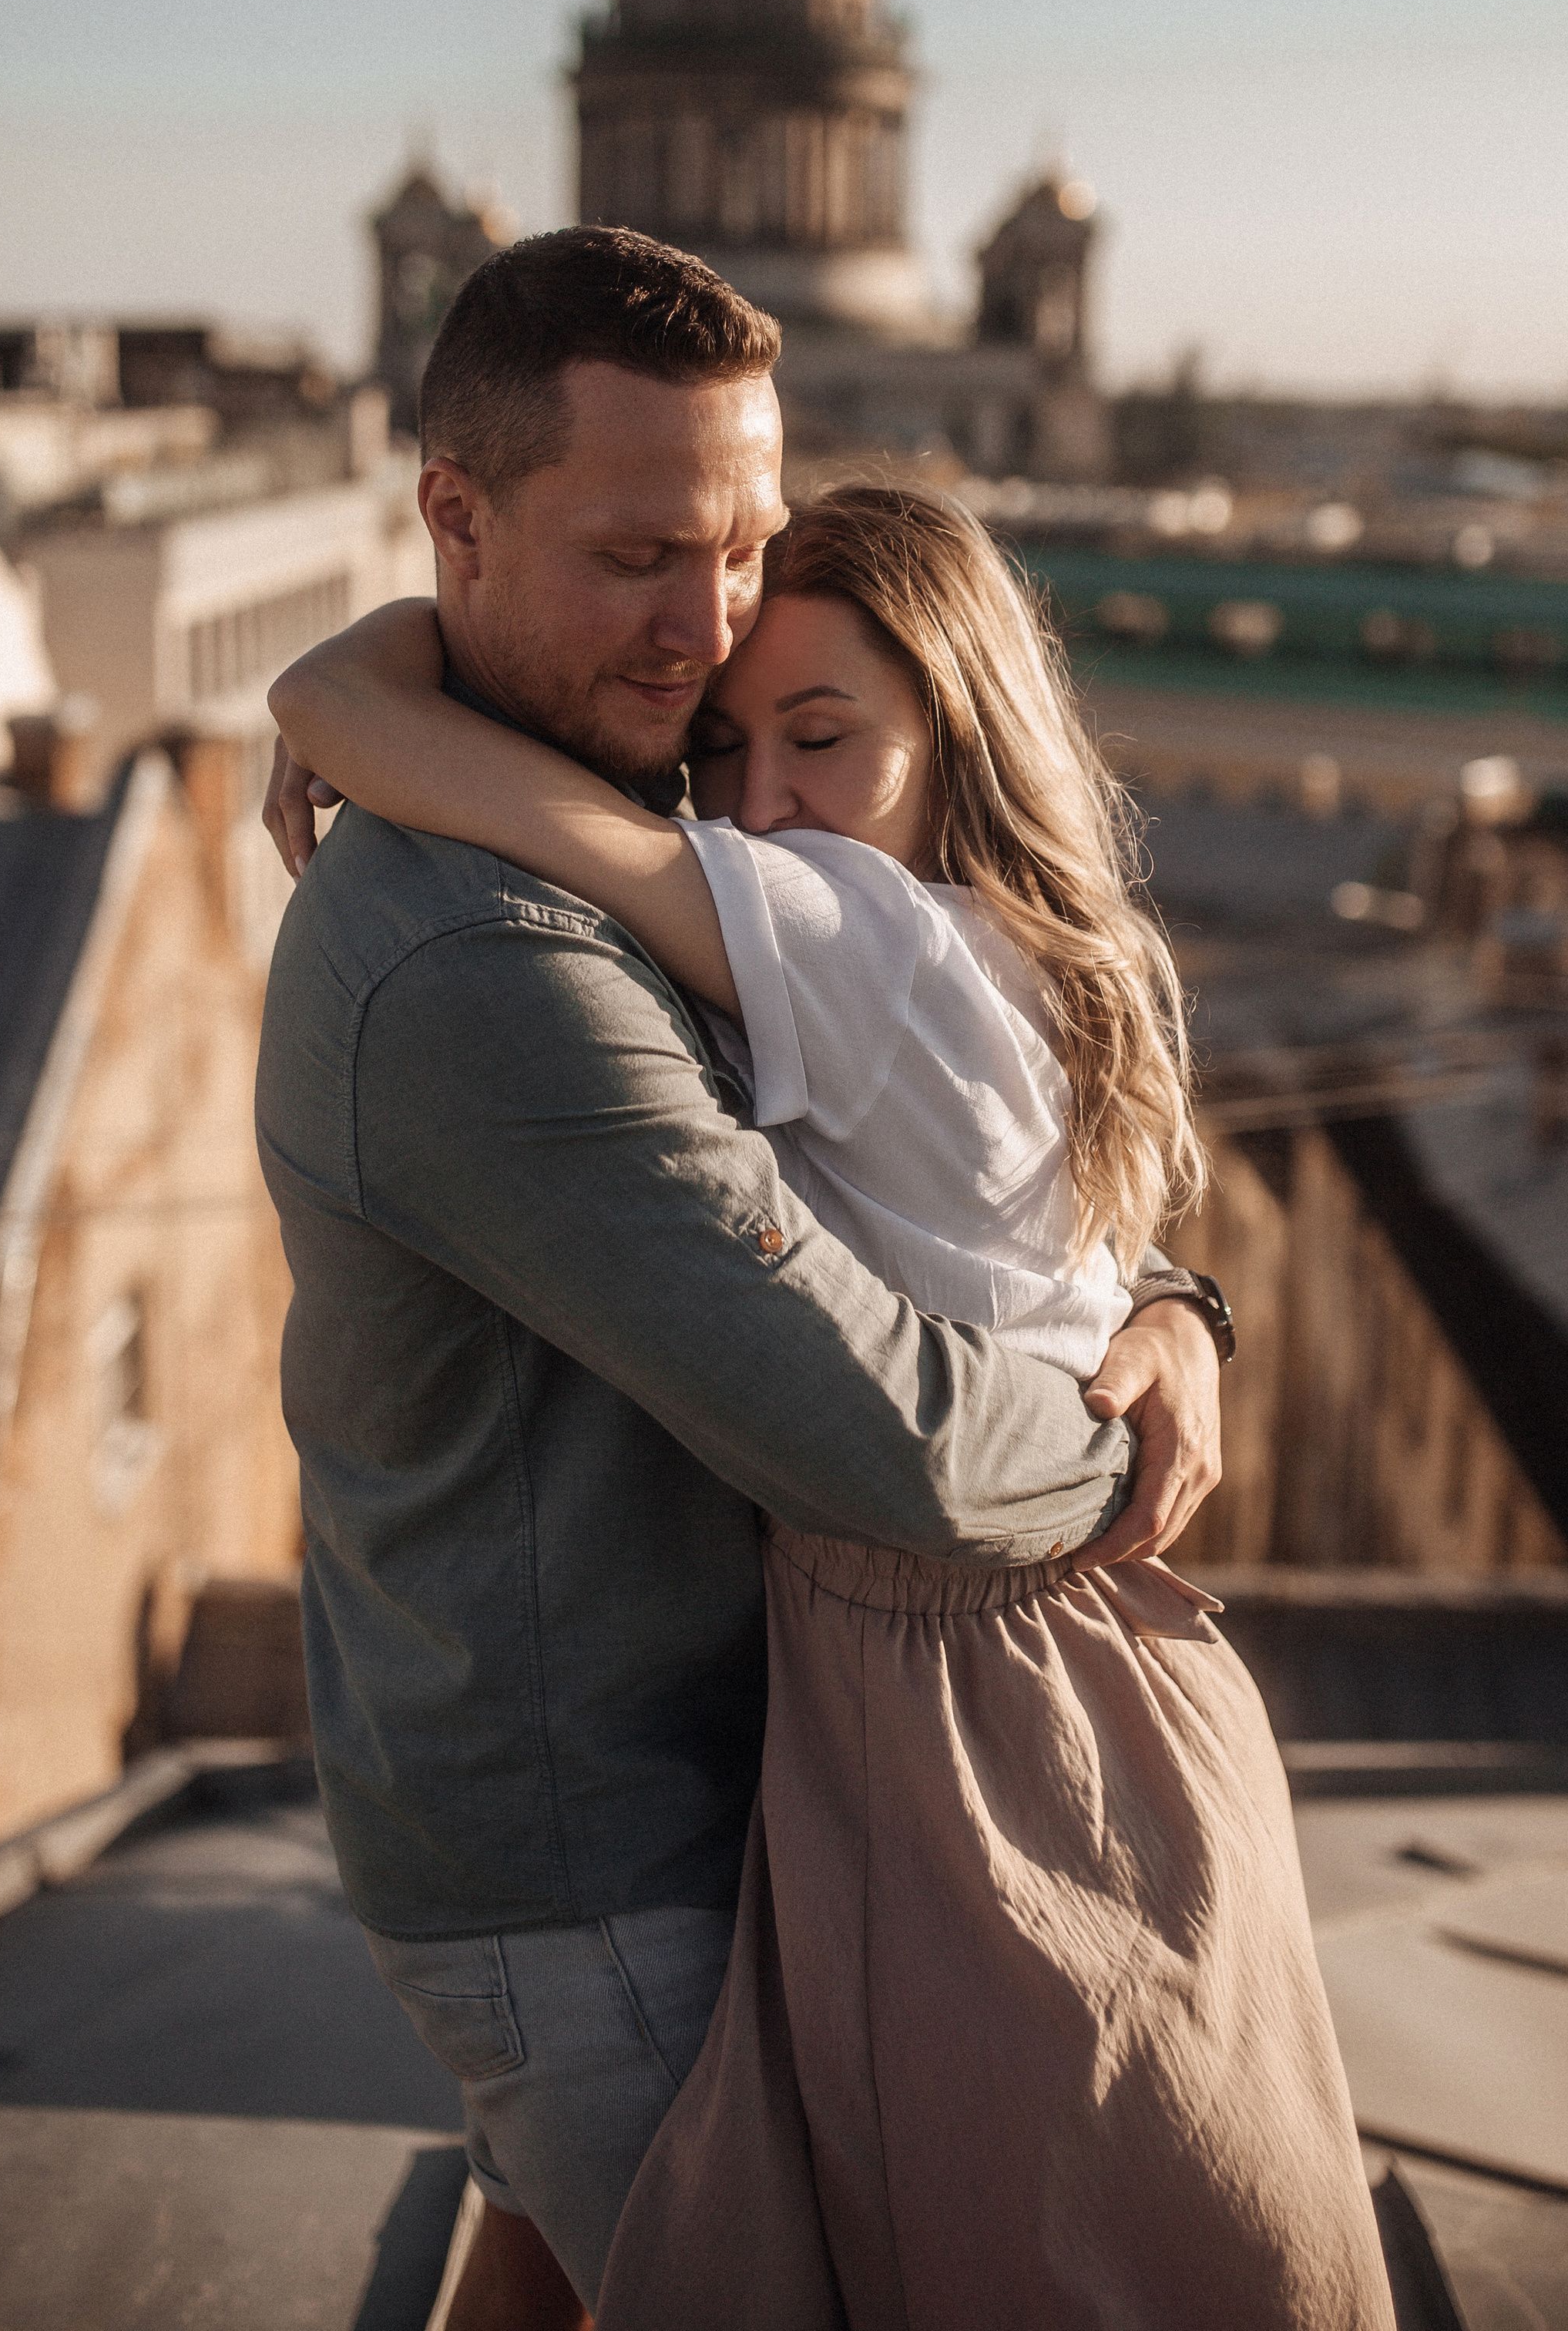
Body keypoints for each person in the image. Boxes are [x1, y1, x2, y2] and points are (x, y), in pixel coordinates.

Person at [270, 478, 1394, 2330]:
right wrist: (1169, 1319)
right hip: (1016, 1666)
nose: (762, 802)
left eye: (823, 739)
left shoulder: (856, 935)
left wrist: (376, 698)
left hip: (978, 1697)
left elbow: (346, 710)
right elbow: (1068, 1252)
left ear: (957, 742)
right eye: (724, 747)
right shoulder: (997, 939)